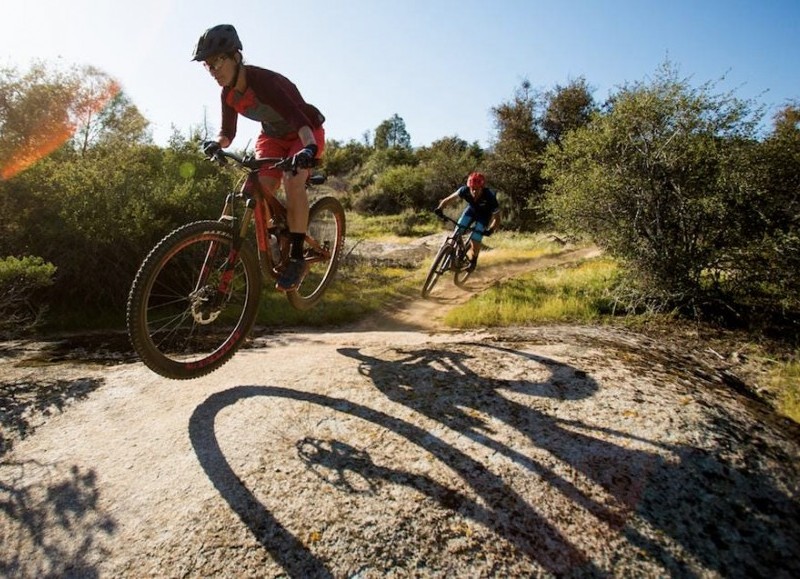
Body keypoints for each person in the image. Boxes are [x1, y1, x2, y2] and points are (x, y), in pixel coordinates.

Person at [192, 24, 326, 292]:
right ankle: (278, 236)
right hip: (273, 137)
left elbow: (299, 119)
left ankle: (298, 257)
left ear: (236, 57)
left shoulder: (266, 82)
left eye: (217, 61)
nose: (213, 70)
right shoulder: (228, 94)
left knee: (292, 179)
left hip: (304, 132)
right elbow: (227, 133)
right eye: (208, 65)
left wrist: (308, 149)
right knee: (254, 190)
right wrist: (216, 144)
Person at [434, 172, 501, 271]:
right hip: (471, 211)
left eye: (477, 189)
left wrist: (490, 230)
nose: (474, 191)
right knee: (458, 230)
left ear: (482, 188)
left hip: (484, 215)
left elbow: (497, 218)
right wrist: (440, 208)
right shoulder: (464, 190)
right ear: (469, 186)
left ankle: (473, 261)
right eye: (472, 188)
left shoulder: (490, 197)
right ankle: (452, 254)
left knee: (476, 237)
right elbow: (448, 199)